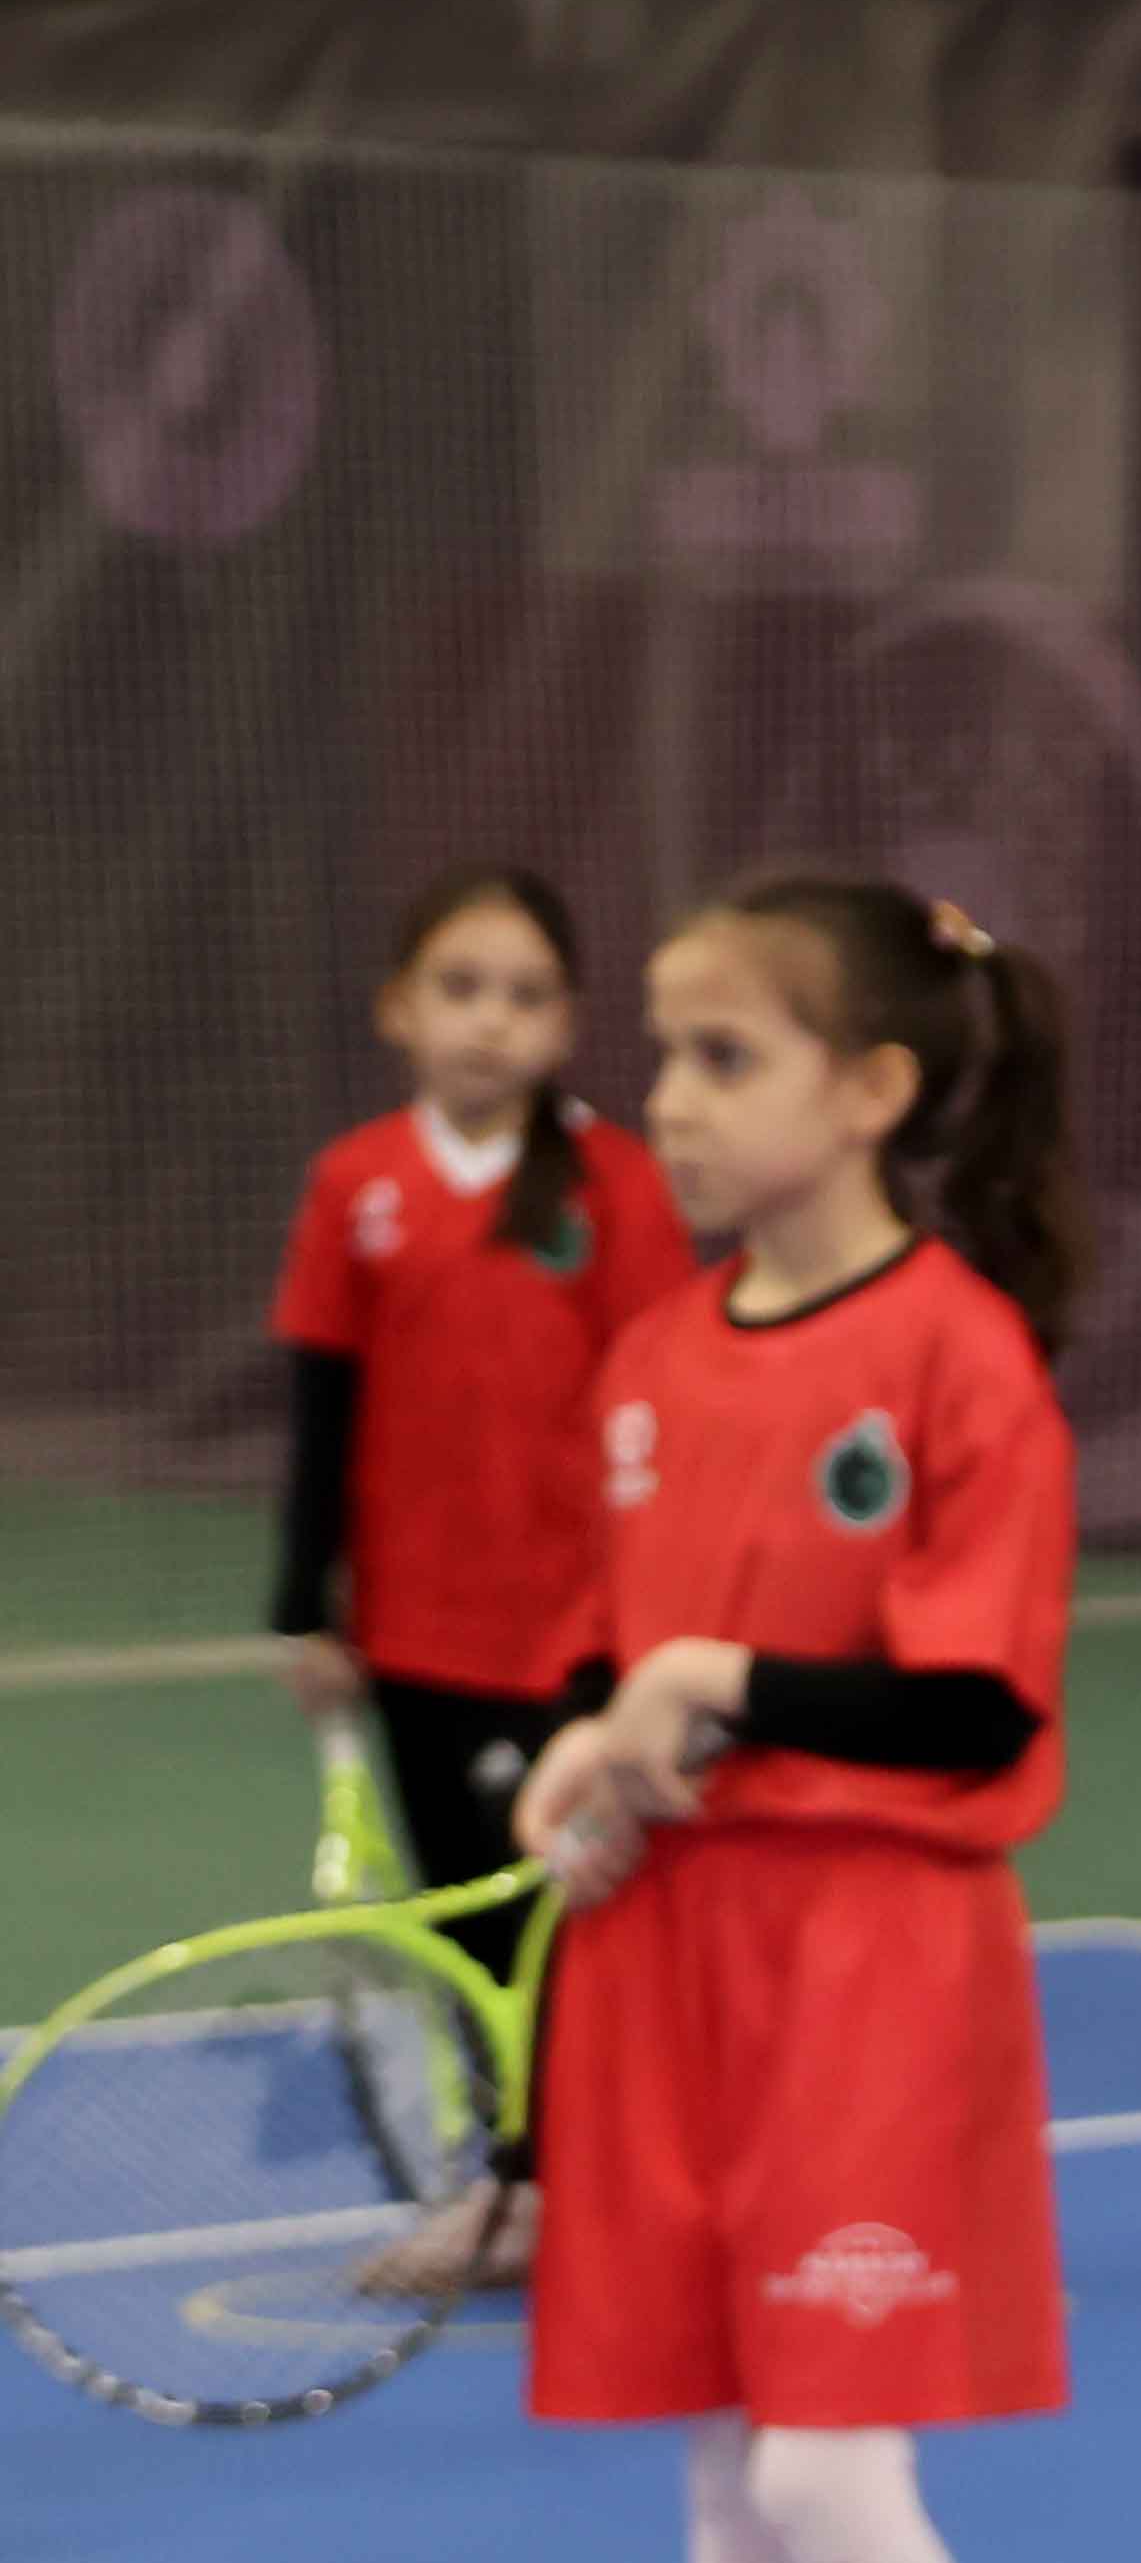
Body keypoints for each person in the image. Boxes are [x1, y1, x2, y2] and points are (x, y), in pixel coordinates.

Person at [533, 873, 1095, 2563]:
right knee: (720, 2469)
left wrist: (713, 1682)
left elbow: (977, 1706)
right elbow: (626, 1649)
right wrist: (590, 1764)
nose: (667, 1101)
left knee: (827, 2467)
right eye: (661, 1054)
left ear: (871, 1088)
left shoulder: (961, 1354)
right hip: (671, 1959)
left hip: (869, 1957)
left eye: (724, 1056)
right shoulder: (654, 1359)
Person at [267, 865, 694, 2283]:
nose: (489, 1021)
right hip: (410, 1640)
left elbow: (666, 1406)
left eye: (524, 995)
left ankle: (573, 2181)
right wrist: (304, 1604)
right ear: (398, 1008)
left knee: (567, 1921)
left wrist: (647, 1621)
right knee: (465, 1922)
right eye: (460, 988)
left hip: (572, 1642)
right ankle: (522, 2185)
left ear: (565, 1024)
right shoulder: (357, 1185)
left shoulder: (618, 1186)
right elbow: (323, 1401)